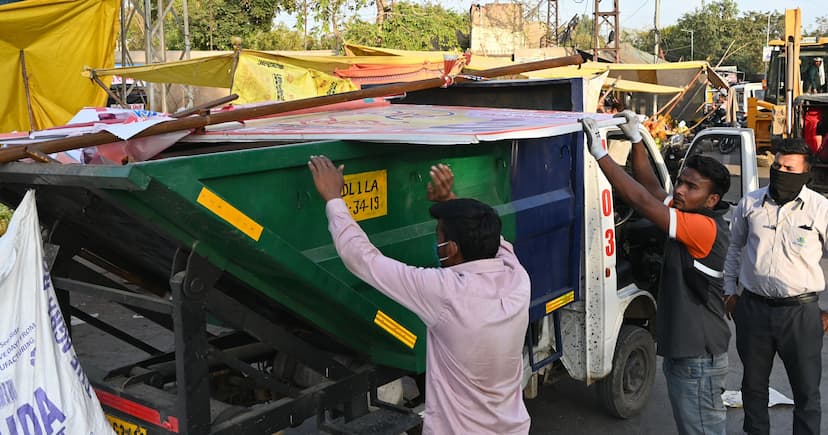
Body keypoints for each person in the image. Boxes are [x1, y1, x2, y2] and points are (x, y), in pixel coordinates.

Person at [307, 156, 531, 434]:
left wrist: (333, 198)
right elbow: (490, 240)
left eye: (438, 236)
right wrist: (449, 202)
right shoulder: (517, 277)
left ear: (450, 249)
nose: (435, 242)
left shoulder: (445, 292)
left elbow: (362, 259)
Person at [582, 112, 732, 435]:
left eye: (691, 187)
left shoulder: (704, 227)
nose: (679, 190)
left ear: (712, 199)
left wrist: (601, 155)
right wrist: (637, 140)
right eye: (680, 181)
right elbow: (649, 186)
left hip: (698, 358)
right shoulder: (687, 210)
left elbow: (640, 200)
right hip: (688, 353)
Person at [723, 138, 828, 435]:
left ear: (804, 174)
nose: (781, 171)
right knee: (753, 388)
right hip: (753, 309)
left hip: (800, 313)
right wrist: (730, 292)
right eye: (778, 165)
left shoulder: (820, 209)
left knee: (806, 392)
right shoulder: (751, 203)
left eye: (789, 168)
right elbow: (735, 248)